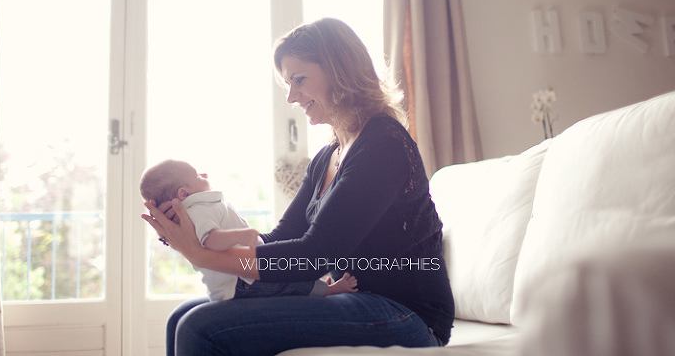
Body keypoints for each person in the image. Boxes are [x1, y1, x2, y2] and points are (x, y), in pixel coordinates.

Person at [142, 18, 455, 355]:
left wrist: (200, 254)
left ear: (340, 71)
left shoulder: (383, 143)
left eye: (299, 80)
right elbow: (280, 241)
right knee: (181, 317)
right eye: (288, 84)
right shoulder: (326, 158)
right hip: (359, 299)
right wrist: (191, 227)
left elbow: (314, 256)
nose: (291, 96)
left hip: (409, 315)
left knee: (199, 327)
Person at [140, 158, 359, 301]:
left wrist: (194, 251)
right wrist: (241, 235)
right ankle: (328, 290)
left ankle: (322, 289)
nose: (204, 175)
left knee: (188, 322)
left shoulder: (196, 211)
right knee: (284, 285)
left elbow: (201, 247)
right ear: (183, 194)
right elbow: (210, 240)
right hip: (242, 282)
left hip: (236, 282)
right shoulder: (199, 210)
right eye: (197, 175)